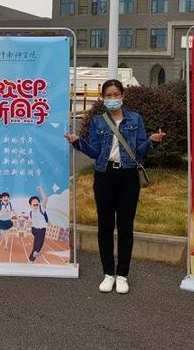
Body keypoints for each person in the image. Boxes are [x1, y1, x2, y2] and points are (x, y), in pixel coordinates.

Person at [64, 79, 165, 294]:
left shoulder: (135, 119)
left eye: (115, 94)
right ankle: (108, 273)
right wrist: (77, 143)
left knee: (126, 226)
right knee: (105, 226)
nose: (112, 99)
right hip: (104, 175)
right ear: (102, 98)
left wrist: (152, 141)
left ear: (123, 96)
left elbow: (139, 151)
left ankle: (123, 275)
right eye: (108, 95)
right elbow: (94, 152)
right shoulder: (99, 122)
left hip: (128, 176)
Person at [27, 185, 49, 262]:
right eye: (34, 202)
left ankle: (34, 256)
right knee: (37, 244)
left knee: (40, 244)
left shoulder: (41, 209)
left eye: (37, 202)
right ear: (30, 205)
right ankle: (31, 259)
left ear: (39, 203)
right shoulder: (31, 212)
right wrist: (27, 223)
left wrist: (41, 190)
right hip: (35, 229)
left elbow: (45, 199)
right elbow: (29, 221)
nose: (36, 203)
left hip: (42, 229)